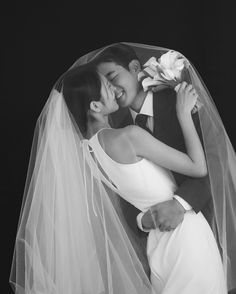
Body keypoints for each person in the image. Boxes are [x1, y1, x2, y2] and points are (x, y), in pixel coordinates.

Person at [62, 66, 226, 293]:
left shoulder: (87, 152)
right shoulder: (128, 136)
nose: (115, 89)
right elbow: (198, 167)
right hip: (185, 234)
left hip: (157, 243)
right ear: (95, 106)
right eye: (107, 86)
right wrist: (183, 113)